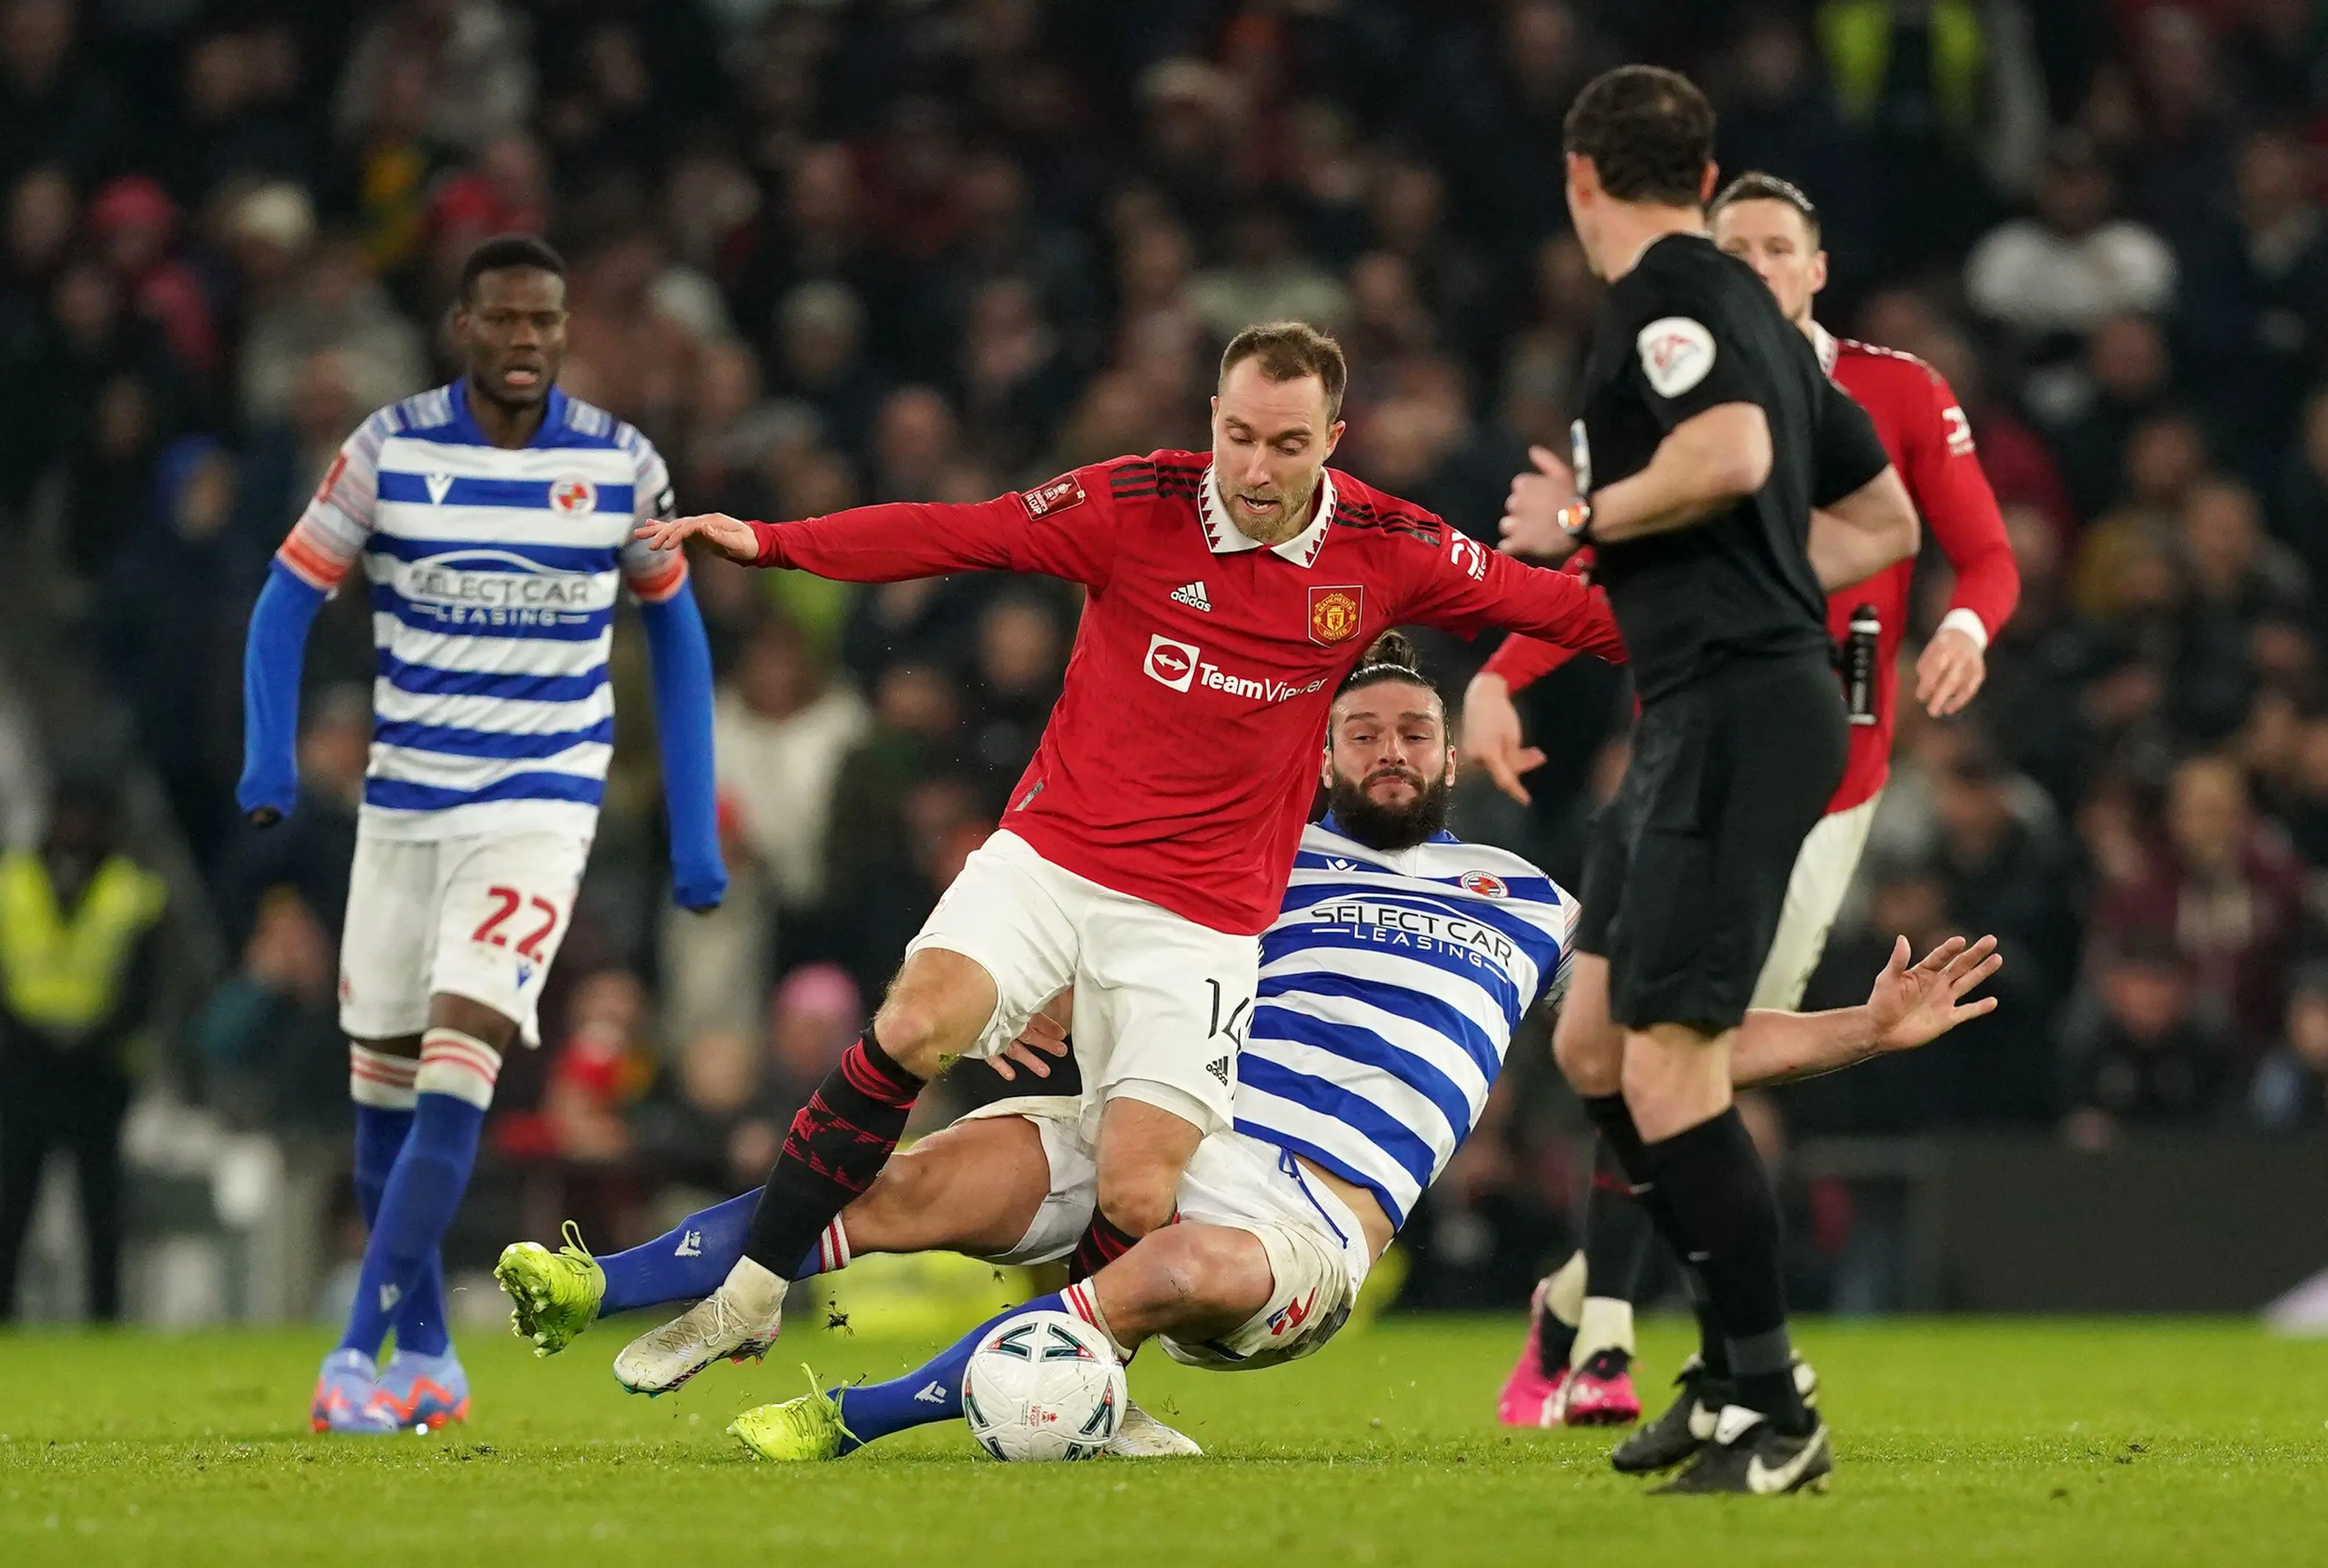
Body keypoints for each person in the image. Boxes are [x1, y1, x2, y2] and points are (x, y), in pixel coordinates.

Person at [490, 635, 2001, 1466]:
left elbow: (1678, 1047)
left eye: (1414, 731)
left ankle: (852, 1417)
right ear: (1326, 753)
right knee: (905, 1179)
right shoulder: (1251, 857)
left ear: (1449, 752)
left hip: (1307, 1207)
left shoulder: (1532, 900)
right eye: (1365, 736)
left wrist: (1862, 1026)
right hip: (1163, 1115)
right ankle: (597, 1285)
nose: (1392, 752)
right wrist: (1044, 999)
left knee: (1178, 1272)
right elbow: (1102, 936)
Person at [614, 321, 1629, 1395]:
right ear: (1212, 421)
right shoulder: (1133, 503)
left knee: (1140, 1197)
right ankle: (749, 1294)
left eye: (1286, 444)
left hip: (1199, 916)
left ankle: (1087, 1384)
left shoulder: (1387, 546)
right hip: (1054, 857)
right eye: (1238, 435)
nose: (1255, 467)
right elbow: (959, 533)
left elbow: (1571, 611)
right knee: (917, 1021)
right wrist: (774, 543)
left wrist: (1740, 617)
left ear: (1332, 438)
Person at [1474, 170, 2022, 1430]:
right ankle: (1611, 1338)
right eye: (1741, 249)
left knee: (1684, 1045)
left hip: (1829, 781)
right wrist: (1504, 674)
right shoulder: (1678, 386)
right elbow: (1604, 568)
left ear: (1817, 268)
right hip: (1683, 747)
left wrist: (1966, 627)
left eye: (1783, 249)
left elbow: (1975, 548)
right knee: (1650, 1039)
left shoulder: (1893, 391)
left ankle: (1592, 1315)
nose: (1763, 268)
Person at [235, 234, 726, 1433]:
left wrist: (693, 826)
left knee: (462, 1060)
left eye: (545, 321)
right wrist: (269, 757)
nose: (526, 341)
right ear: (463, 326)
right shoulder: (388, 450)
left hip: (537, 809)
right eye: (503, 320)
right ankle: (434, 1358)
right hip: (404, 807)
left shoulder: (621, 465)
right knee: (381, 1099)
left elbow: (676, 633)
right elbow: (286, 594)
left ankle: (355, 1353)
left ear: (565, 330)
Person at [0, 778, 167, 1322]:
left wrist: (101, 1035)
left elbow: (148, 983)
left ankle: (105, 1315)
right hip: (23, 1066)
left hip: (99, 1068)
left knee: (102, 1206)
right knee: (12, 1200)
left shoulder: (131, 890)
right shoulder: (13, 883)